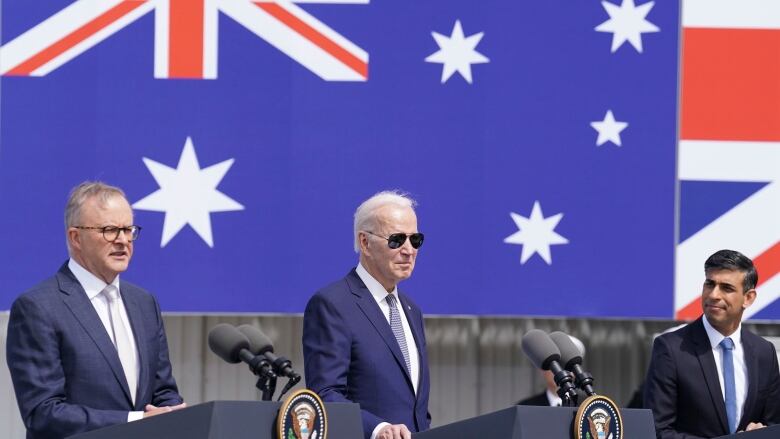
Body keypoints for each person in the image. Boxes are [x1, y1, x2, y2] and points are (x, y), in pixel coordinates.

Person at [6, 181, 186, 439]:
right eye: (110, 230)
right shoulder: (37, 307)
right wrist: (136, 421)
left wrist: (173, 412)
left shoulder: (144, 303)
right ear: (75, 237)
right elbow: (42, 413)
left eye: (128, 229)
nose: (123, 240)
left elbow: (163, 390)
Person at [303, 190, 431, 439]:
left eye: (415, 240)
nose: (409, 250)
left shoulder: (411, 310)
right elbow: (325, 393)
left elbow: (416, 410)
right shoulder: (332, 305)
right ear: (365, 242)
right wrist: (378, 429)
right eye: (397, 239)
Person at [644, 249, 780, 438]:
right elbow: (657, 431)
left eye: (726, 288)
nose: (714, 294)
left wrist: (763, 433)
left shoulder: (765, 352)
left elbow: (774, 425)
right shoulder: (670, 348)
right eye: (710, 284)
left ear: (748, 298)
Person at [518, 335, 586, 407]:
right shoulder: (526, 407)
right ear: (543, 368)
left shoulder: (587, 406)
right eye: (554, 365)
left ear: (574, 371)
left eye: (564, 365)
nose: (559, 371)